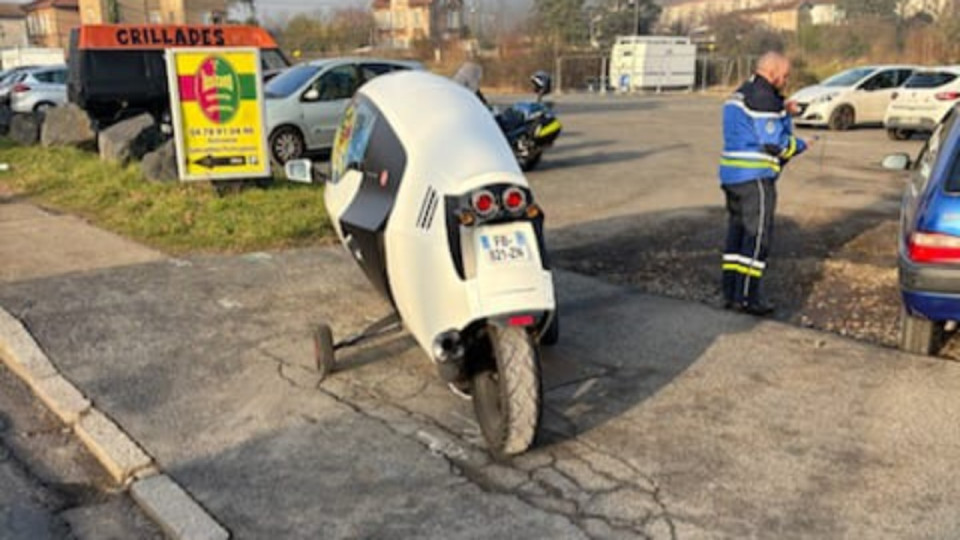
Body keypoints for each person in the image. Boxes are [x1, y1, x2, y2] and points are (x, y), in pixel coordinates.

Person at [718, 51, 811, 316]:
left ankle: (731, 293)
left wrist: (784, 110)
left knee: (736, 237)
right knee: (757, 238)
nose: (786, 79)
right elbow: (774, 143)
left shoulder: (744, 92)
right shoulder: (764, 99)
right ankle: (748, 298)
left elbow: (759, 119)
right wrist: (802, 145)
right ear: (772, 72)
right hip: (754, 179)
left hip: (732, 177)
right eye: (785, 75)